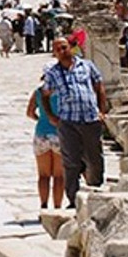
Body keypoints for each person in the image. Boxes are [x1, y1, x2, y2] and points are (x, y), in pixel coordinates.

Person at [41, 37, 107, 208]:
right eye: (57, 49)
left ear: (70, 47)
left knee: (95, 158)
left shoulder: (87, 66)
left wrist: (101, 111)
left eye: (64, 47)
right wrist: (50, 115)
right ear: (54, 53)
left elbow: (99, 87)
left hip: (90, 118)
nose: (62, 51)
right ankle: (73, 199)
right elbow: (45, 94)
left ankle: (96, 191)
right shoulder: (53, 73)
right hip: (68, 121)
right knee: (71, 162)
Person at [26, 79, 65, 209]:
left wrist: (41, 120)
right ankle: (58, 207)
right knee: (59, 176)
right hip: (59, 134)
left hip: (41, 134)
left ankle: (43, 205)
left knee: (43, 175)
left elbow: (30, 113)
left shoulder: (38, 92)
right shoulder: (64, 92)